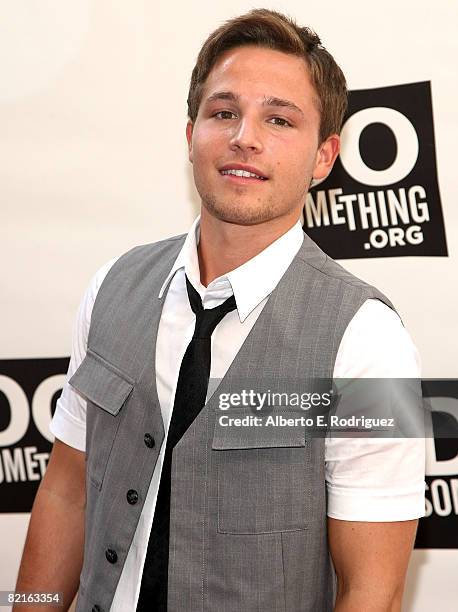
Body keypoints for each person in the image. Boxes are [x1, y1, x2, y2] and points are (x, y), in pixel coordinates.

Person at [15, 8, 425, 612]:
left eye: (279, 119)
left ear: (323, 157)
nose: (245, 137)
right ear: (190, 135)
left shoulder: (370, 340)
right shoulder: (113, 287)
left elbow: (374, 590)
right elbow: (67, 491)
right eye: (223, 112)